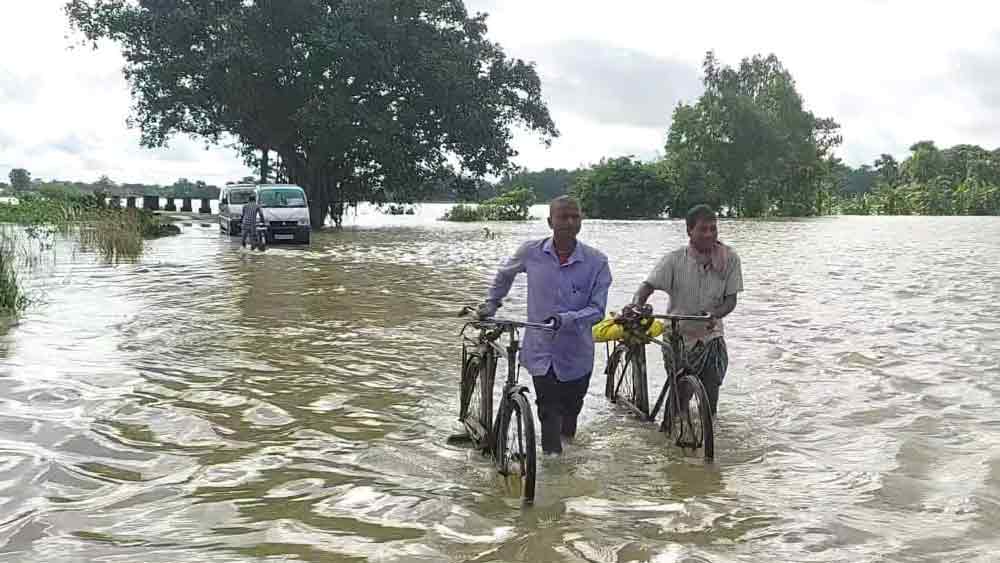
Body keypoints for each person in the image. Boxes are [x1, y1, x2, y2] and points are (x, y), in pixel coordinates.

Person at [478, 196, 612, 455]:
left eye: (575, 216)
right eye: (564, 217)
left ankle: (566, 459)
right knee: (547, 410)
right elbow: (505, 273)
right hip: (541, 349)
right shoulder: (531, 252)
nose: (570, 222)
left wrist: (568, 318)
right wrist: (492, 304)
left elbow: (597, 311)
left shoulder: (597, 262)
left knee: (570, 414)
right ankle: (553, 471)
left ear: (581, 221)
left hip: (576, 353)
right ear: (551, 221)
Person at [627, 204, 743, 416]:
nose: (709, 234)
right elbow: (647, 287)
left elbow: (731, 300)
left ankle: (708, 439)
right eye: (703, 229)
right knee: (679, 397)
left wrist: (715, 314)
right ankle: (671, 434)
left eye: (713, 229)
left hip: (711, 335)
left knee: (711, 396)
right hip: (677, 335)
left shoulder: (730, 259)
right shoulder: (674, 260)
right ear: (689, 231)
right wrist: (637, 305)